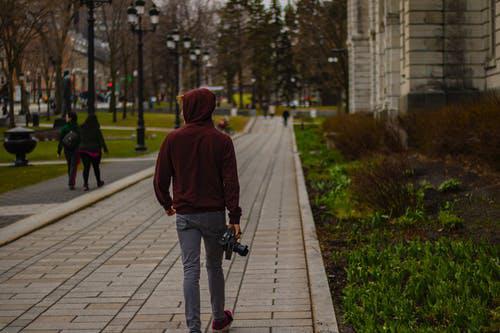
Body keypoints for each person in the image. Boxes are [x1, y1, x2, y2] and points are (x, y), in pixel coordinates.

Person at [154, 88, 241, 333]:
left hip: (186, 215)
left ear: (192, 109)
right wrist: (234, 216)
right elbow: (231, 182)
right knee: (214, 265)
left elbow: (161, 178)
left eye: (184, 107)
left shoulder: (173, 139)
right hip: (214, 214)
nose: (182, 112)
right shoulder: (222, 141)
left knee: (190, 269)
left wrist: (166, 202)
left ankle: (193, 327)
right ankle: (219, 318)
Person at [79, 114, 108, 191]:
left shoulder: (82, 128)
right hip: (94, 150)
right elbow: (101, 140)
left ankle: (85, 184)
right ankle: (98, 181)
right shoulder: (96, 129)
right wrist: (105, 149)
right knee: (96, 167)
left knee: (86, 168)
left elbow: (78, 138)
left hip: (83, 150)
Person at [57, 112, 80, 190]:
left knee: (70, 165)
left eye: (67, 117)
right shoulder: (78, 127)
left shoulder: (65, 128)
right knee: (73, 166)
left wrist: (59, 151)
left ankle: (71, 182)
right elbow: (81, 139)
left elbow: (61, 141)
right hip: (76, 149)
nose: (66, 118)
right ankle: (71, 182)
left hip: (67, 149)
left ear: (70, 118)